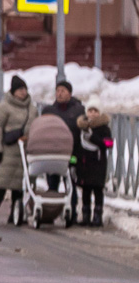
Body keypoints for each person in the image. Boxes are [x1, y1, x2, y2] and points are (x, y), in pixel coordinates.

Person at [0, 75, 37, 225]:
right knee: (2, 182)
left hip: (25, 151)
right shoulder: (4, 107)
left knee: (19, 185)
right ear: (13, 91)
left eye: (24, 89)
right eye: (20, 89)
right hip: (8, 150)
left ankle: (15, 214)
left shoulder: (32, 109)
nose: (23, 92)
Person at [41, 80, 85, 211]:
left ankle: (72, 210)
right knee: (52, 183)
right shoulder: (50, 110)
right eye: (57, 91)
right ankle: (51, 210)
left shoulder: (78, 110)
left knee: (70, 182)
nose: (59, 94)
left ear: (69, 94)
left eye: (63, 91)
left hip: (72, 154)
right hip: (53, 153)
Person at [75, 96, 112, 227]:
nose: (93, 114)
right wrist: (74, 161)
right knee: (85, 191)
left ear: (100, 113)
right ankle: (85, 215)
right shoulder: (81, 127)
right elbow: (77, 145)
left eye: (95, 111)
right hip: (84, 165)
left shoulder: (104, 128)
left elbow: (108, 143)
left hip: (98, 165)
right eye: (90, 111)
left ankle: (97, 216)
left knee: (97, 191)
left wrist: (93, 137)